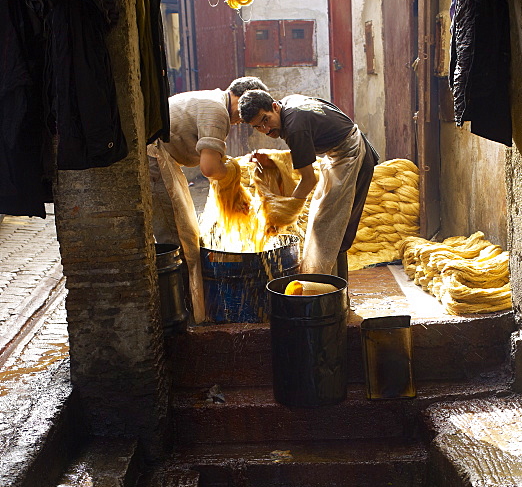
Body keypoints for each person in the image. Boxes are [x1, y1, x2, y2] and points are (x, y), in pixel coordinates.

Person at [148, 76, 267, 322]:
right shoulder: (216, 111)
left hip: (161, 156)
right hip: (154, 158)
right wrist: (234, 172)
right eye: (246, 111)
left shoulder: (212, 101)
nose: (243, 119)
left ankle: (182, 308)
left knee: (186, 234)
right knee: (180, 238)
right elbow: (210, 168)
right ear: (241, 97)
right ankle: (181, 315)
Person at [238, 90, 379, 279]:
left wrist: (284, 213)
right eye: (258, 127)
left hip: (351, 154)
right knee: (323, 219)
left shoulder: (295, 127)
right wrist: (271, 161)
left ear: (274, 107)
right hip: (337, 153)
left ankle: (325, 286)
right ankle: (324, 279)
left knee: (327, 225)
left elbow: (308, 179)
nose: (265, 129)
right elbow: (303, 153)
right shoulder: (289, 105)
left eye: (265, 120)